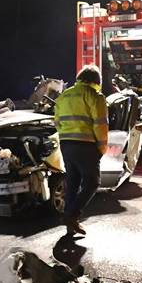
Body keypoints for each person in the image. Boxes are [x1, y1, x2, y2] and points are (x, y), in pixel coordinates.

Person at [53, 64, 108, 237]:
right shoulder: (95, 96)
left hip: (66, 144)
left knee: (73, 182)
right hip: (86, 144)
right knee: (92, 182)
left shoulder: (64, 96)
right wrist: (102, 147)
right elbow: (101, 125)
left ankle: (71, 224)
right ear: (95, 81)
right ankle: (71, 215)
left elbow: (57, 122)